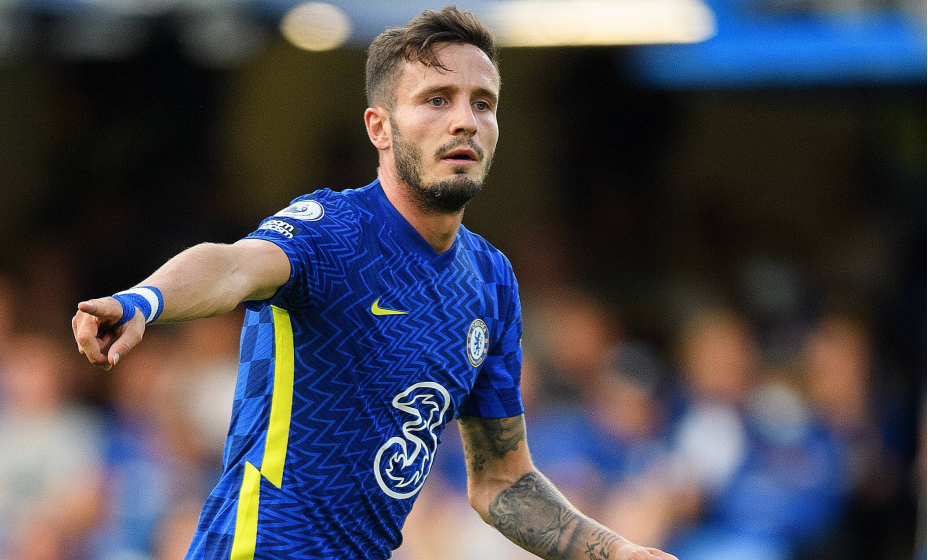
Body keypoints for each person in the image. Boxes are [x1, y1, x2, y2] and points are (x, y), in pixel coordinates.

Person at [73, 6, 678, 560]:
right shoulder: (331, 231)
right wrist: (144, 300)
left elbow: (502, 481)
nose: (465, 121)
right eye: (436, 100)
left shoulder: (490, 279)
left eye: (483, 103)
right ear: (380, 128)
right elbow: (232, 266)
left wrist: (616, 553)